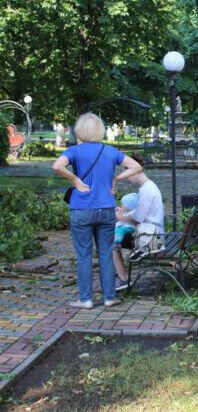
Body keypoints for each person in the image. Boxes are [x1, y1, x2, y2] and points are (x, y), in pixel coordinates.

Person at [52, 113, 143, 309]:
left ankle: (86, 299)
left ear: (80, 131)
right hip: (106, 209)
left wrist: (74, 180)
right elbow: (135, 166)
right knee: (106, 252)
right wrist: (116, 180)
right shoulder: (110, 151)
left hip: (81, 210)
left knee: (84, 255)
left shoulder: (74, 151)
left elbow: (57, 166)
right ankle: (109, 297)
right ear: (100, 130)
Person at [113, 152, 165, 291]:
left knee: (111, 242)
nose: (128, 179)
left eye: (127, 175)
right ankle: (117, 275)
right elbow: (140, 214)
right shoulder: (149, 186)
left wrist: (120, 217)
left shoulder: (146, 190)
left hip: (150, 239)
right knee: (116, 237)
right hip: (153, 234)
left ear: (132, 172)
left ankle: (123, 279)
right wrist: (124, 213)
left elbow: (137, 219)